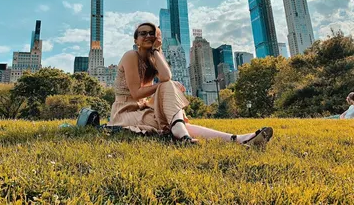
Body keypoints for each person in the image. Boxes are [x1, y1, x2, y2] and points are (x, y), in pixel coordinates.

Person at [107, 22, 273, 146]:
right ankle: (181, 129)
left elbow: (166, 76)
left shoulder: (152, 59)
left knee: (174, 117)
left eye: (152, 33)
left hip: (143, 110)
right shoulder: (131, 55)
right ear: (136, 40)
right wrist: (165, 85)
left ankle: (238, 139)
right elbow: (136, 93)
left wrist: (157, 51)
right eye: (143, 33)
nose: (148, 36)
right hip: (126, 112)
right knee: (170, 99)